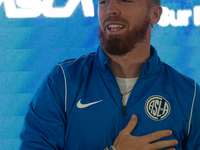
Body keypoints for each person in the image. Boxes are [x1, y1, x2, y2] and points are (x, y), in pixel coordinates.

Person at [19, 0, 200, 149]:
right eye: (103, 2)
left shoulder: (189, 96)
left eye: (125, 0)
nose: (110, 9)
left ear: (155, 14)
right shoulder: (63, 81)